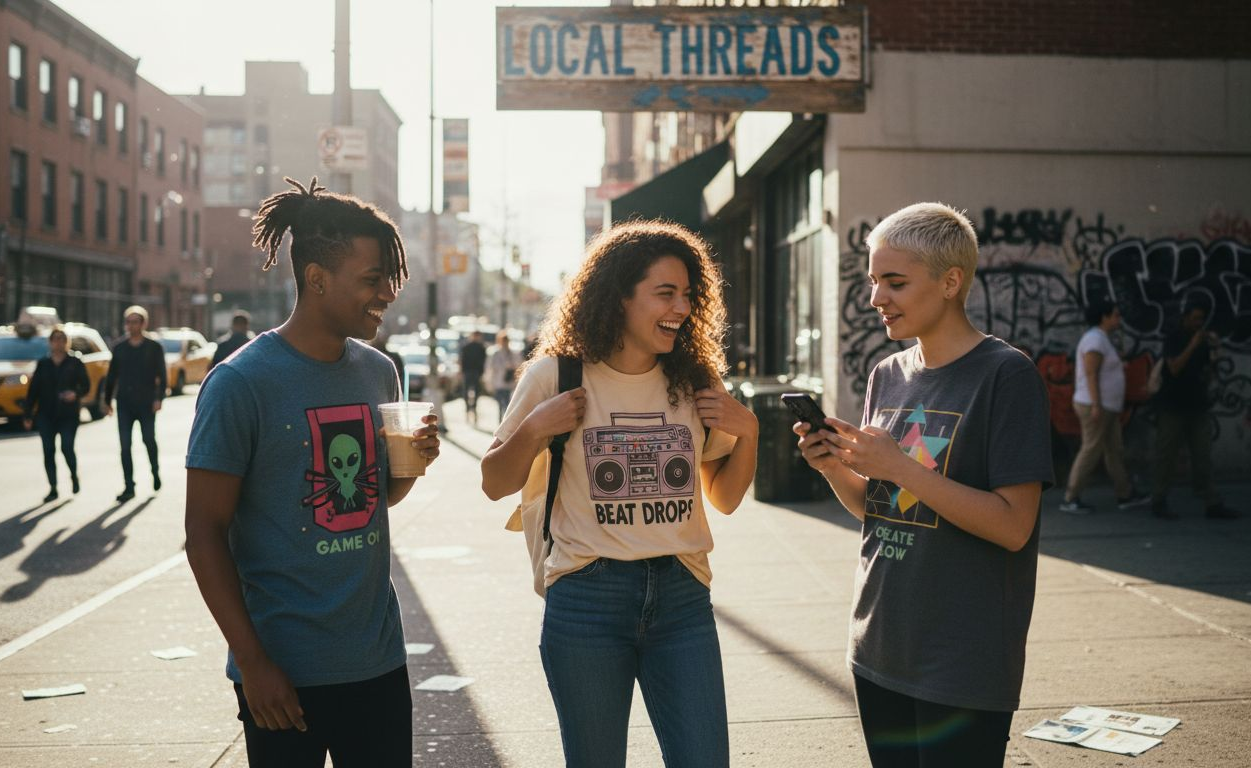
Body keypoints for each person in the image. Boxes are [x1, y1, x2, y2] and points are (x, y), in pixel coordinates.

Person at [481, 220, 759, 767]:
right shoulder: (556, 376)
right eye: (665, 293)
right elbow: (495, 482)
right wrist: (536, 428)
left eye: (687, 295)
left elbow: (724, 498)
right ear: (619, 296)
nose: (681, 307)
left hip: (682, 597)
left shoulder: (696, 378)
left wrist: (748, 431)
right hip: (586, 598)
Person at [184, 176, 440, 767]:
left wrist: (411, 465)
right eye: (372, 279)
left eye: (389, 279)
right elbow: (203, 534)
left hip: (377, 660)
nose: (386, 293)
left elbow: (371, 500)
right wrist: (252, 664)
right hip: (281, 670)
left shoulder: (379, 372)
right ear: (317, 279)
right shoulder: (240, 383)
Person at [793, 203, 1053, 768]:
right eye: (872, 281)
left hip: (962, 663)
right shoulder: (887, 374)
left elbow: (1014, 526)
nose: (876, 298)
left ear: (951, 281)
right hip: (878, 646)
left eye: (895, 282)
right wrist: (834, 466)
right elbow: (880, 508)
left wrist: (903, 467)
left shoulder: (1007, 376)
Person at [1149, 304, 1239, 520]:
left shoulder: (1202, 342)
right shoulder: (1175, 338)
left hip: (1197, 405)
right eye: (1195, 318)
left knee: (1203, 455)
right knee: (1166, 455)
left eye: (1201, 319)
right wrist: (1192, 345)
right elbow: (1174, 368)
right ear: (1185, 318)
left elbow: (1208, 373)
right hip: (1173, 406)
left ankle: (1212, 501)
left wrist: (1215, 351)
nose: (1198, 323)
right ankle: (1159, 500)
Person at [1059, 300, 1149, 513]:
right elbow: (1091, 374)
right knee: (1091, 449)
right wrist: (1097, 405)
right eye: (1115, 315)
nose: (1119, 319)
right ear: (1104, 317)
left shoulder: (1101, 339)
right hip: (1096, 406)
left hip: (1106, 406)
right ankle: (1071, 497)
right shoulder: (1094, 340)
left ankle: (1124, 494)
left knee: (1114, 450)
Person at [103, 305, 167, 503]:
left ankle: (155, 472)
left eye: (135, 322)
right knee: (125, 446)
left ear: (143, 323)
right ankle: (129, 486)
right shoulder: (119, 347)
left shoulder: (153, 347)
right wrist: (107, 401)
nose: (131, 325)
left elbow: (162, 376)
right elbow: (112, 376)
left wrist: (159, 398)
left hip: (147, 403)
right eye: (128, 322)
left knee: (148, 440)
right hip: (125, 403)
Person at [23, 326, 90, 502]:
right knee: (48, 450)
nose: (58, 342)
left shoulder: (75, 362)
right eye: (55, 339)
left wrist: (74, 394)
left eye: (62, 339)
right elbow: (33, 391)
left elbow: (86, 386)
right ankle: (53, 488)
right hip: (46, 414)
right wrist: (28, 414)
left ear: (66, 342)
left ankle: (74, 476)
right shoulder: (43, 364)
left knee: (67, 447)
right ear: (50, 342)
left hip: (68, 414)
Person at [483, 329, 521, 420]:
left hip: (510, 383)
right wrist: (489, 382)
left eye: (506, 341)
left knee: (508, 404)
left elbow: (519, 366)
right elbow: (489, 368)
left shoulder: (513, 354)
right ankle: (501, 421)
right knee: (500, 403)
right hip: (498, 382)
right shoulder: (495, 354)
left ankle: (504, 421)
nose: (505, 343)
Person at [458, 330, 487, 424]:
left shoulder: (481, 348)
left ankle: (473, 410)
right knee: (467, 392)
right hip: (468, 372)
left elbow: (483, 362)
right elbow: (462, 360)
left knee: (476, 393)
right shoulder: (467, 347)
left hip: (476, 373)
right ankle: (468, 410)